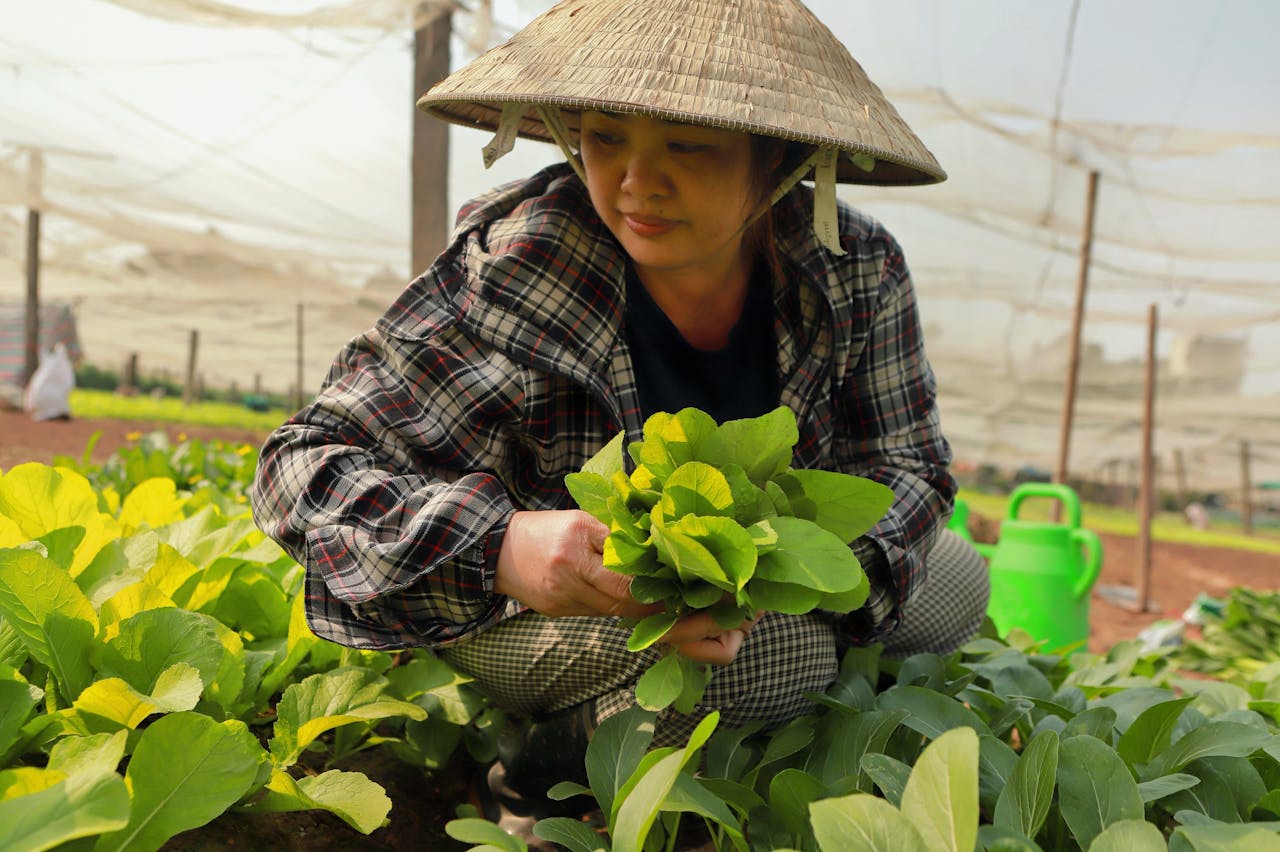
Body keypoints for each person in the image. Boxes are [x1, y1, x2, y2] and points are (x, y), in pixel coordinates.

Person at [250, 0, 989, 841]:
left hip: (756, 589)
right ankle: (540, 776)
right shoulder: (522, 265)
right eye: (605, 138)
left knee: (960, 581)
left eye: (689, 146)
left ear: (779, 159)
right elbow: (302, 468)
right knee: (781, 661)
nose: (638, 182)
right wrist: (502, 546)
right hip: (547, 604)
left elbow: (909, 465)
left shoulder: (854, 271)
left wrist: (788, 570)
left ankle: (667, 716)